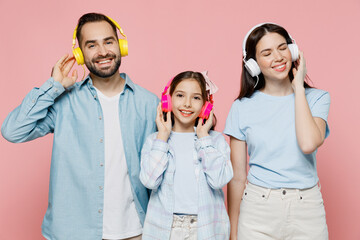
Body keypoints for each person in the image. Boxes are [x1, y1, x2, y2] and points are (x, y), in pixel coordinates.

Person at [1, 13, 159, 240]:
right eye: (91, 45)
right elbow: (13, 130)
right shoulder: (64, 102)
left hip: (137, 231)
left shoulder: (149, 103)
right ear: (80, 54)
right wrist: (53, 86)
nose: (103, 51)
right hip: (75, 233)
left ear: (120, 45)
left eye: (108, 41)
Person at [224, 23, 330, 240]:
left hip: (307, 209)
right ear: (253, 64)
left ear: (293, 51)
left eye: (283, 48)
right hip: (257, 209)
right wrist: (233, 230)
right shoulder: (241, 108)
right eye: (267, 53)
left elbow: (308, 143)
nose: (278, 57)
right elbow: (237, 177)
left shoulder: (318, 98)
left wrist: (298, 87)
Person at [139, 71, 233, 240]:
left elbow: (219, 180)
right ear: (167, 101)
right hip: (165, 229)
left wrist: (204, 137)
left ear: (206, 105)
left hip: (205, 228)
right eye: (180, 95)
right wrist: (162, 137)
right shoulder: (155, 141)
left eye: (196, 98)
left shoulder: (215, 141)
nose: (187, 104)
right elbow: (149, 181)